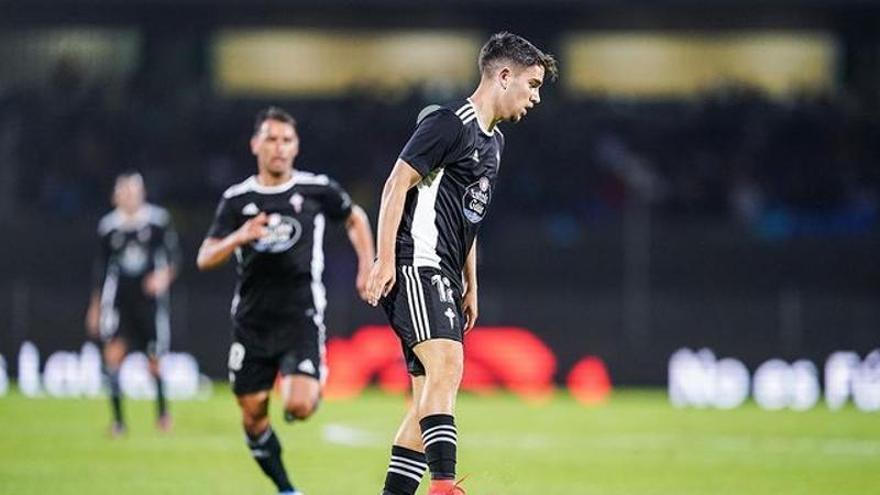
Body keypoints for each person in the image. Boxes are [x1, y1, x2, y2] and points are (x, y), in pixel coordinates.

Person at [365, 32, 557, 495]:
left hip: (446, 276)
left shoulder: (495, 144)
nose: (534, 98)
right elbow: (396, 184)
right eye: (531, 85)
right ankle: (445, 488)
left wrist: (471, 284)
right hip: (417, 265)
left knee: (424, 403)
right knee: (448, 367)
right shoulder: (449, 123)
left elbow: (468, 216)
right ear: (504, 75)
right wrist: (385, 260)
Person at [197, 106, 375, 495]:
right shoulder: (237, 199)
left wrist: (367, 265)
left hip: (300, 316)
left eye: (286, 140)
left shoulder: (316, 189)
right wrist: (239, 236)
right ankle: (286, 489)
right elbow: (204, 257)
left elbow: (355, 217)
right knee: (253, 415)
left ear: (296, 147)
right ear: (255, 144)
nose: (278, 147)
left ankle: (310, 384)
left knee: (299, 407)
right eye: (271, 139)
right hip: (252, 321)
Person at [86, 171, 180, 436]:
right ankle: (118, 422)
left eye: (133, 191)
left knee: (154, 361)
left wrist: (163, 277)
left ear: (142, 193)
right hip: (120, 304)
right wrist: (95, 307)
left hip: (148, 304)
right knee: (113, 357)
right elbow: (101, 271)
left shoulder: (157, 221)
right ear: (116, 196)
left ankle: (162, 415)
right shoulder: (109, 227)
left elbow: (174, 258)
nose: (129, 196)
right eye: (124, 191)